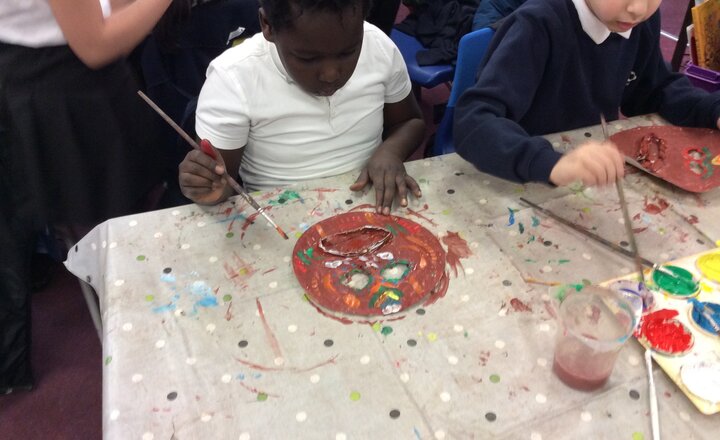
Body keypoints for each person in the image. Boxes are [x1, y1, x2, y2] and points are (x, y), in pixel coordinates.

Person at [0, 0, 172, 394]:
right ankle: (141, 359)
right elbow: (97, 45)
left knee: (120, 234)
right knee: (114, 242)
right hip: (61, 88)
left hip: (66, 79)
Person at [178, 0, 426, 215]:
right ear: (267, 25)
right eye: (308, 58)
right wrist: (207, 186)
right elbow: (223, 184)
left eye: (348, 52)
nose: (330, 74)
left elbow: (410, 121)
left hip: (371, 205)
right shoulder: (233, 79)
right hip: (284, 216)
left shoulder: (378, 46)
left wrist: (390, 151)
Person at [454, 0, 720, 188]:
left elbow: (656, 89)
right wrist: (551, 164)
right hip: (520, 174)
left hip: (588, 171)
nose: (638, 8)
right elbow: (474, 121)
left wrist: (712, 109)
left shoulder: (640, 22)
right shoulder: (538, 24)